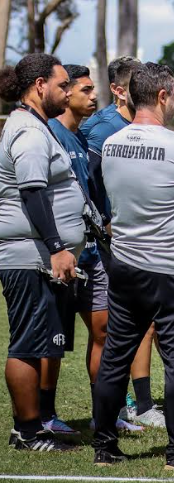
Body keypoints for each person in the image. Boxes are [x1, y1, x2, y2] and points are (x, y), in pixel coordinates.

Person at [92, 62, 174, 470]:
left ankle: (104, 446)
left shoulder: (111, 143)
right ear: (162, 96)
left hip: (125, 265)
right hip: (171, 268)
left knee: (115, 357)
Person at [48, 64, 141, 434]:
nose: (93, 96)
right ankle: (44, 415)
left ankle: (105, 413)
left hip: (93, 252)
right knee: (52, 339)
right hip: (60, 254)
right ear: (64, 92)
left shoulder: (77, 139)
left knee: (104, 331)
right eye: (85, 90)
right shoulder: (51, 133)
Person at [0, 53, 85, 452]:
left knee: (37, 343)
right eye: (63, 84)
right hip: (30, 255)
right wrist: (57, 248)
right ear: (40, 86)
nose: (67, 92)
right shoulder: (29, 132)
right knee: (27, 345)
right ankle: (28, 433)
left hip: (38, 254)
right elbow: (32, 191)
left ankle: (33, 427)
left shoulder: (37, 125)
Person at [81, 56, 165, 427]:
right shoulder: (101, 129)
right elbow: (87, 182)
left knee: (145, 323)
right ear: (118, 90)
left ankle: (141, 404)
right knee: (107, 327)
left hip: (141, 240)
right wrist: (104, 223)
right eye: (135, 83)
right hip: (105, 242)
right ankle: (115, 407)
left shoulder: (145, 124)